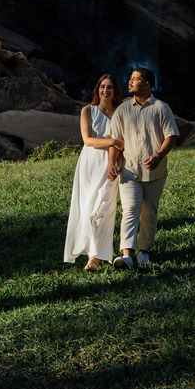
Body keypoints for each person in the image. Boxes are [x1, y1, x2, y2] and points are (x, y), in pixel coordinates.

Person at [106, 67, 180, 269]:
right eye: (130, 78)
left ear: (147, 84)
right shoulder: (122, 109)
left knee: (149, 214)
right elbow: (115, 141)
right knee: (129, 210)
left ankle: (143, 252)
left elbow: (170, 136)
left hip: (154, 173)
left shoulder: (161, 108)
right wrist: (112, 165)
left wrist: (159, 156)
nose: (130, 82)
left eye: (135, 79)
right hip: (129, 170)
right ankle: (126, 255)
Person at [63, 74, 124, 270]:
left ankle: (94, 258)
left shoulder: (120, 113)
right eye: (102, 87)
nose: (106, 90)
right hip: (89, 164)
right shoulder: (88, 111)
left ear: (115, 91)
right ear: (97, 89)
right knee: (87, 209)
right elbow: (88, 140)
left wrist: (117, 164)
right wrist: (113, 141)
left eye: (110, 87)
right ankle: (93, 253)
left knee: (102, 210)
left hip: (110, 164)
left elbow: (124, 144)